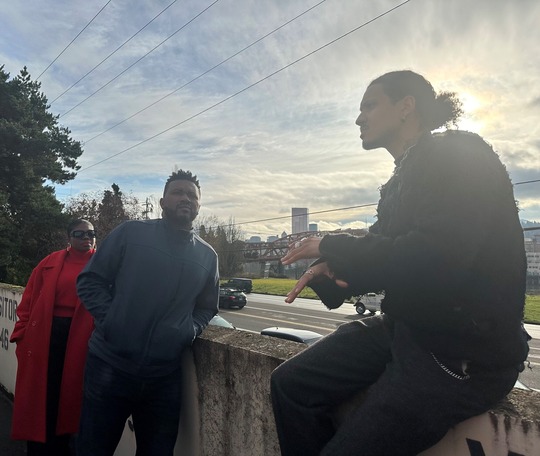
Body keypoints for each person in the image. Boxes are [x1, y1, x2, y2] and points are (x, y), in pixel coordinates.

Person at [271, 70, 531, 455]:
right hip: (409, 330)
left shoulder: (461, 156)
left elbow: (434, 257)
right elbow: (385, 255)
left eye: (370, 105)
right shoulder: (400, 180)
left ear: (406, 106)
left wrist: (330, 241)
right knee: (289, 385)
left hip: (464, 353)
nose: (359, 118)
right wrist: (332, 270)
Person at [76, 169, 219, 456]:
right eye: (178, 192)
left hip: (163, 378)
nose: (185, 198)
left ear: (199, 207)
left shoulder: (208, 256)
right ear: (162, 201)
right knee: (92, 448)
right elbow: (90, 281)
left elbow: (207, 308)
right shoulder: (131, 233)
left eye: (192, 195)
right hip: (110, 366)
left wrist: (188, 331)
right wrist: (112, 320)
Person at [10, 219, 97, 456]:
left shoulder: (103, 265)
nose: (86, 237)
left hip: (82, 339)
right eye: (79, 233)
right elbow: (28, 300)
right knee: (43, 396)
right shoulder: (50, 262)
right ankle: (40, 449)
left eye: (91, 233)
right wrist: (22, 334)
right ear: (69, 237)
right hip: (45, 336)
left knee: (71, 398)